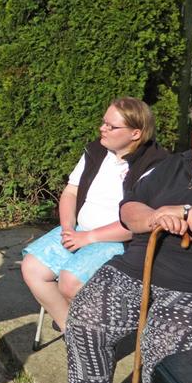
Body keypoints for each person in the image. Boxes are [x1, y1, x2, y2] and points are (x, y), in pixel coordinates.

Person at [66, 93, 192, 383]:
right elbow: (129, 209)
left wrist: (188, 212)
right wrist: (152, 217)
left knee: (165, 342)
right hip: (136, 269)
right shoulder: (172, 166)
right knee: (85, 318)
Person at [20, 97, 169, 331]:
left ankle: (95, 332)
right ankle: (71, 330)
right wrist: (68, 227)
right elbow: (70, 192)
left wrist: (89, 237)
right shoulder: (97, 150)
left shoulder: (155, 165)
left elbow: (141, 222)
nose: (102, 128)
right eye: (103, 122)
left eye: (111, 126)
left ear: (136, 133)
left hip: (120, 241)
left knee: (70, 281)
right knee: (32, 267)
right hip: (79, 230)